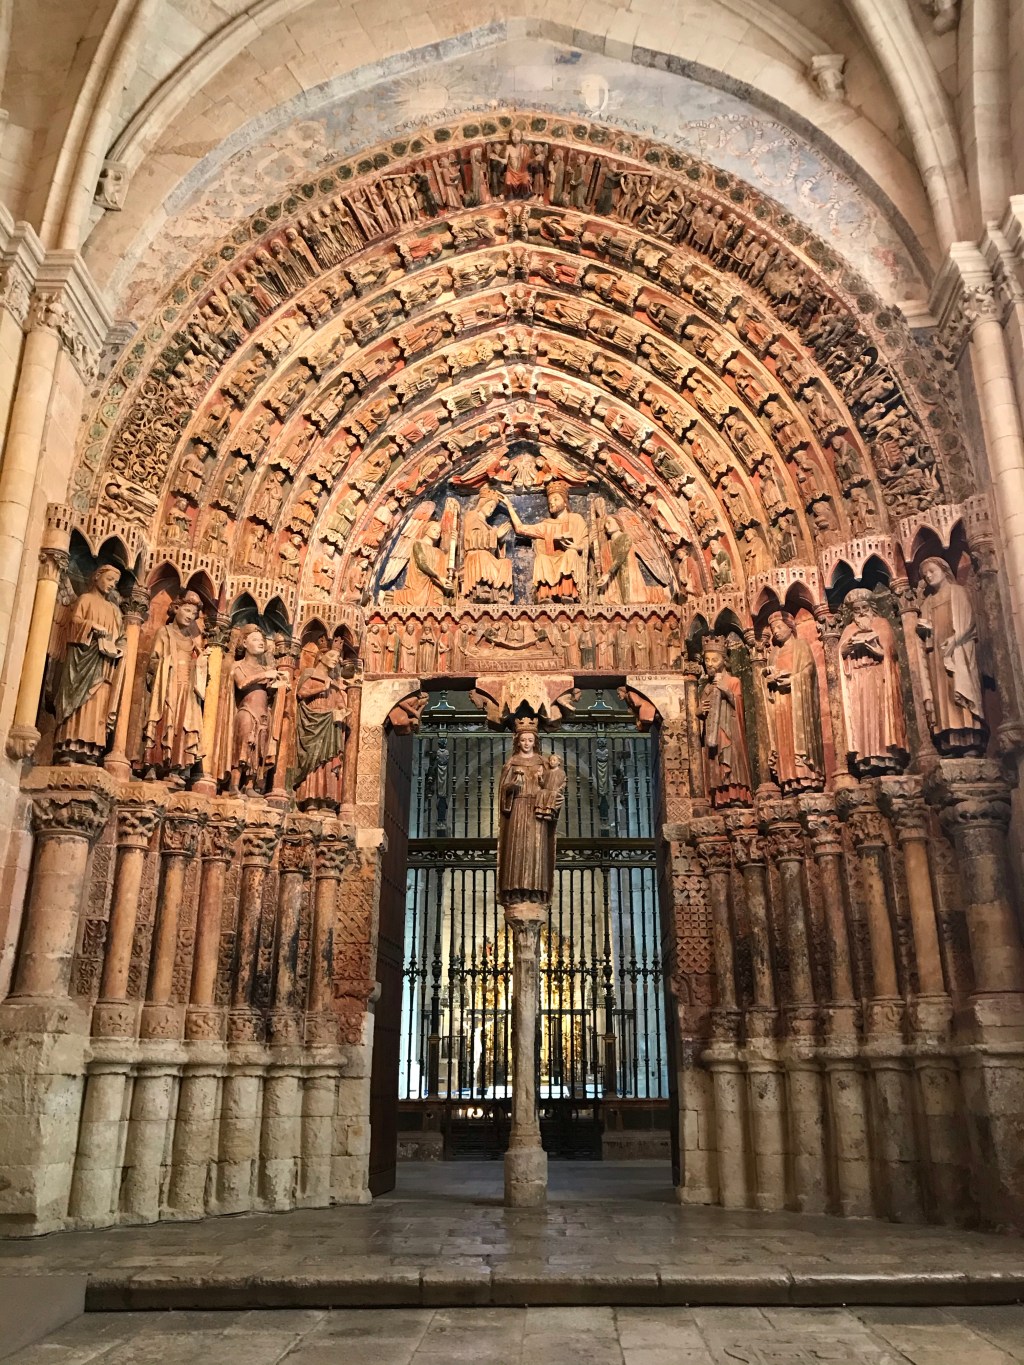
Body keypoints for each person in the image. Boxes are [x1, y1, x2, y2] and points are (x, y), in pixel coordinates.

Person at [52, 564, 126, 764]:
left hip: (103, 665)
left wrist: (119, 649)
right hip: (81, 661)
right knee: (79, 702)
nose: (112, 585)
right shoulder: (85, 600)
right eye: (109, 579)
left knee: (98, 703)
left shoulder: (114, 610)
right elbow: (73, 623)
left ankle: (90, 750)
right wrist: (92, 626)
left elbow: (121, 638)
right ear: (97, 576)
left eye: (116, 583)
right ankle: (68, 746)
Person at [916, 557, 986, 755]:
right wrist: (926, 631)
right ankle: (949, 740)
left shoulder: (958, 592)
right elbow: (925, 635)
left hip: (958, 651)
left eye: (931, 571)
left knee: (959, 689)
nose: (929, 576)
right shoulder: (928, 603)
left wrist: (955, 640)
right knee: (942, 695)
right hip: (937, 654)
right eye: (925, 575)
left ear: (943, 569)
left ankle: (970, 736)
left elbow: (969, 623)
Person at [497, 718, 566, 906]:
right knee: (517, 851)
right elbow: (503, 791)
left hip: (537, 811)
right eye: (523, 740)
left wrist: (555, 798)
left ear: (535, 742)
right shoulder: (512, 763)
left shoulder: (544, 764)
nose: (526, 744)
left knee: (536, 850)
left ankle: (536, 891)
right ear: (517, 741)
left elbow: (554, 786)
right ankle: (514, 891)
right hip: (518, 810)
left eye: (530, 740)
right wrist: (512, 785)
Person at [839, 589, 909, 775]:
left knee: (881, 716)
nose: (861, 613)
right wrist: (845, 648)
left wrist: (875, 648)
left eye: (864, 608)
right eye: (856, 610)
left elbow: (890, 651)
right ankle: (866, 760)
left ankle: (887, 757)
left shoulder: (881, 624)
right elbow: (840, 656)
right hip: (858, 680)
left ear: (871, 607)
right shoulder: (849, 629)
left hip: (879, 676)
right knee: (862, 719)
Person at [142, 590, 207, 783]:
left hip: (186, 690)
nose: (190, 616)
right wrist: (169, 666)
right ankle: (153, 765)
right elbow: (154, 661)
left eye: (194, 614)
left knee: (183, 727)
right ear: (176, 609)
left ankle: (176, 768)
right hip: (168, 686)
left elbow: (195, 669)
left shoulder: (191, 642)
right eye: (187, 610)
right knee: (164, 721)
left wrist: (200, 661)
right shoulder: (165, 632)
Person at [763, 610, 825, 793]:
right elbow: (767, 678)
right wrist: (768, 678)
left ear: (790, 628)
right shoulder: (774, 654)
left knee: (799, 737)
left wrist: (792, 680)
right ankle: (788, 780)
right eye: (773, 629)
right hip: (780, 702)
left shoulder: (801, 646)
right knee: (784, 740)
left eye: (780, 627)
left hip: (797, 700)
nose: (776, 632)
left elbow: (809, 671)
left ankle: (807, 778)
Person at [500, 482, 588, 601]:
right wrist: (509, 506)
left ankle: (567, 594)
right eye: (549, 500)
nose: (551, 502)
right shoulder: (547, 524)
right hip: (551, 558)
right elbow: (521, 528)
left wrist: (576, 547)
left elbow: (585, 543)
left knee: (570, 554)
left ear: (565, 502)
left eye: (556, 499)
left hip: (569, 556)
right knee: (541, 559)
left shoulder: (576, 519)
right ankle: (545, 596)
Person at [699, 637, 752, 805]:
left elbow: (739, 704)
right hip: (713, 731)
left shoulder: (733, 681)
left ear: (724, 660)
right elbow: (701, 712)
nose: (710, 664)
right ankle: (720, 796)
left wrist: (726, 691)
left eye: (714, 659)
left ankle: (736, 794)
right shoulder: (707, 688)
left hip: (730, 727)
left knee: (731, 756)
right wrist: (700, 711)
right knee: (715, 761)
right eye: (707, 660)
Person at [294, 646, 348, 809]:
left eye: (337, 658)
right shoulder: (312, 675)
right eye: (331, 655)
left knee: (329, 760)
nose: (335, 659)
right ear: (321, 657)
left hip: (330, 724)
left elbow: (340, 703)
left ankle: (326, 799)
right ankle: (310, 799)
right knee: (314, 760)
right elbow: (301, 693)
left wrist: (343, 710)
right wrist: (322, 688)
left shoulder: (335, 683)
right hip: (313, 722)